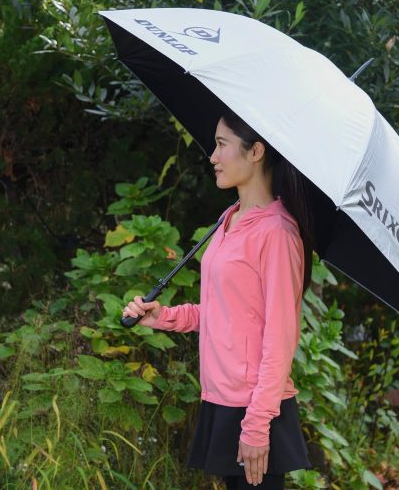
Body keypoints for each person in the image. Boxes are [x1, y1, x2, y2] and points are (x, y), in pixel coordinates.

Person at [123, 110, 314, 489]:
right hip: (223, 399)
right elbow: (225, 311)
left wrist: (257, 424)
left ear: (255, 151)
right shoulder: (229, 218)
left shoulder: (276, 233)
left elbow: (281, 335)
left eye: (222, 145)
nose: (212, 156)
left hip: (254, 407)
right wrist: (162, 316)